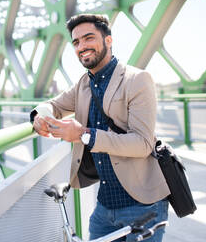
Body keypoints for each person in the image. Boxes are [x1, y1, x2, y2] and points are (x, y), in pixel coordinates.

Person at [30, 14, 170, 241]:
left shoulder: (137, 79)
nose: (82, 47)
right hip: (104, 207)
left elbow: (143, 143)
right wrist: (39, 115)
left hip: (143, 205)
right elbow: (54, 105)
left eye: (88, 38)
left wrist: (84, 135)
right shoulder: (83, 84)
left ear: (108, 40)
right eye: (76, 42)